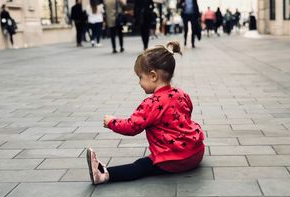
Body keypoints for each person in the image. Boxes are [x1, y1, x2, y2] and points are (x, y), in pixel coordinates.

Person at [86, 41, 205, 185]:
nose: (139, 82)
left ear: (153, 76)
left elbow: (132, 127)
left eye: (140, 77)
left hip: (175, 161)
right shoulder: (181, 93)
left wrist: (111, 122)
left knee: (142, 166)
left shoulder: (152, 103)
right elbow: (188, 113)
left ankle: (104, 174)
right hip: (196, 152)